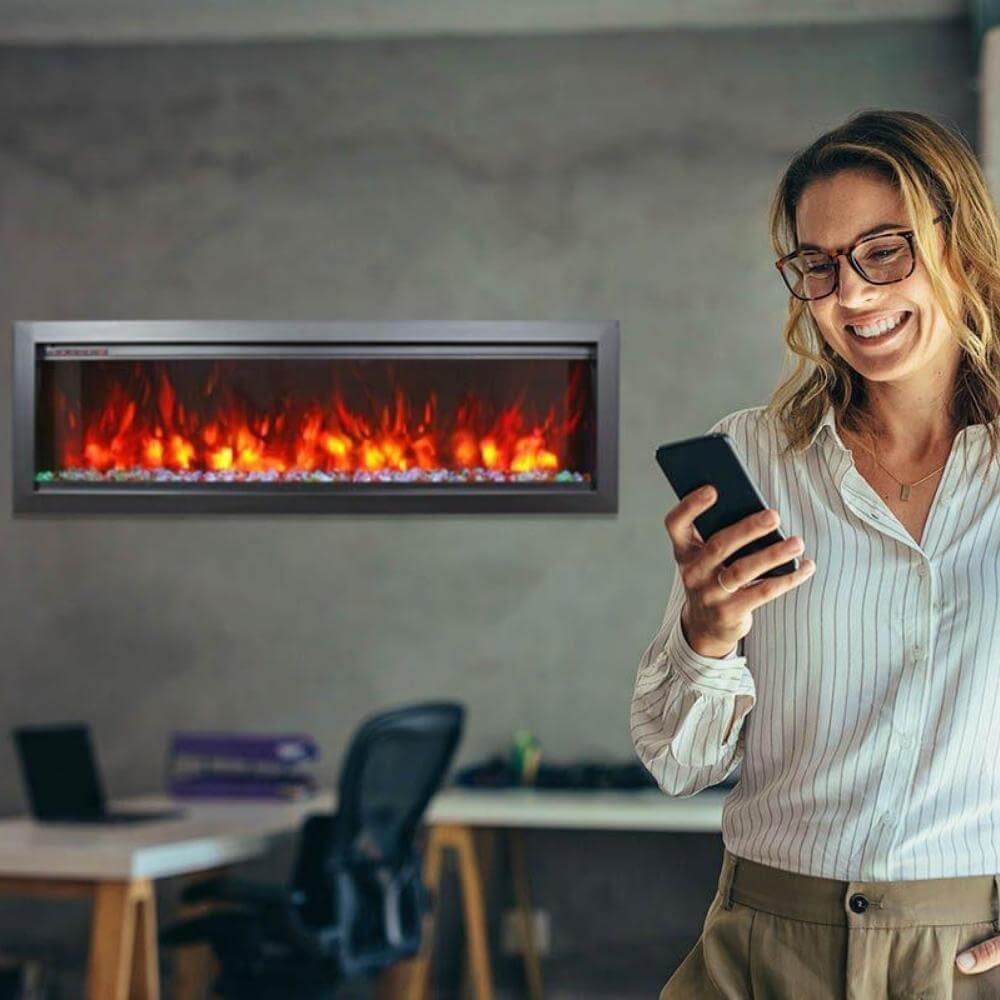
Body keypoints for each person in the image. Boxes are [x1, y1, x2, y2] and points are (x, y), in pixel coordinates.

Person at [630, 108, 1000, 998]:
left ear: (964, 244)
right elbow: (678, 763)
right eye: (819, 266)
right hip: (762, 946)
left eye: (886, 250)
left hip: (964, 956)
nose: (852, 296)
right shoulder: (756, 458)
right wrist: (705, 634)